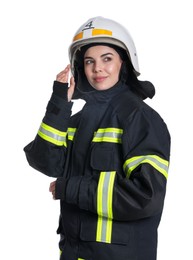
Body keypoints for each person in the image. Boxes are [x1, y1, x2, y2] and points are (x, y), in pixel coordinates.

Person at [24, 16, 171, 260]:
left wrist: (71, 188)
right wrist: (60, 104)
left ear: (124, 62)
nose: (97, 68)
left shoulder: (140, 118)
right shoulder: (80, 120)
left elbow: (146, 196)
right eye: (89, 61)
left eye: (107, 59)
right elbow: (45, 162)